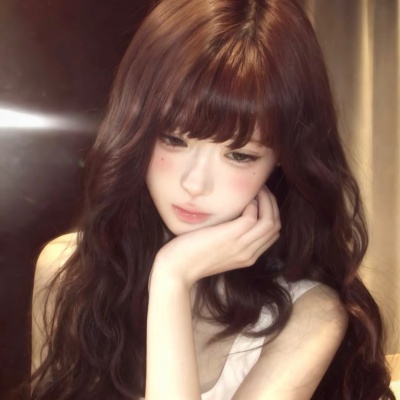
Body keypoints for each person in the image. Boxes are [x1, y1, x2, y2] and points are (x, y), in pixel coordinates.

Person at [30, 0, 395, 399]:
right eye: (173, 138)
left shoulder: (310, 315)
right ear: (136, 129)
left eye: (239, 155)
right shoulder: (69, 275)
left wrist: (172, 276)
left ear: (283, 159)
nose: (195, 183)